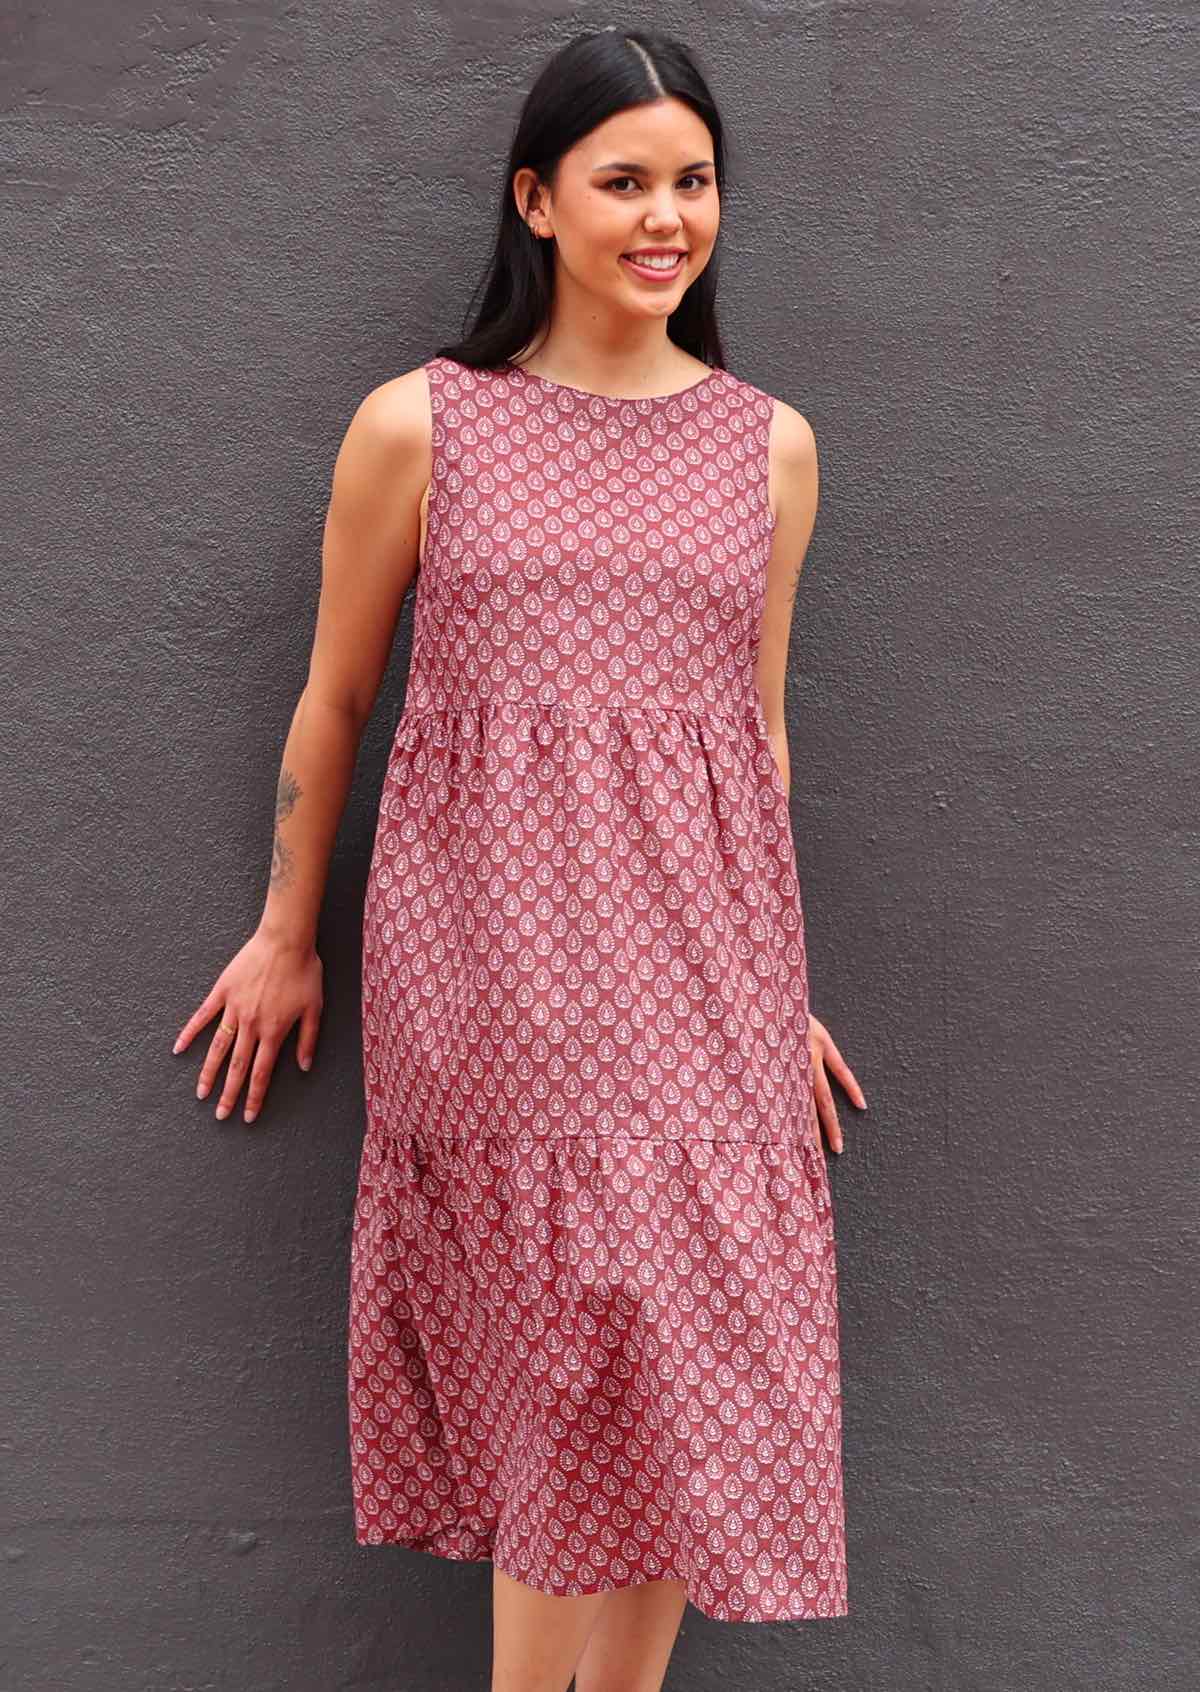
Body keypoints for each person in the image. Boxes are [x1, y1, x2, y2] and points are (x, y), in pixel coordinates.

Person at [172, 26, 867, 1692]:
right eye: (623, 181)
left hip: (706, 983)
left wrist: (782, 988)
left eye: (691, 182)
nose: (665, 217)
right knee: (563, 1363)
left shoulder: (771, 447)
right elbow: (336, 699)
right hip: (495, 971)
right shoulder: (424, 424)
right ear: (534, 201)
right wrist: (288, 930)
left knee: (680, 1362)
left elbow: (749, 736)